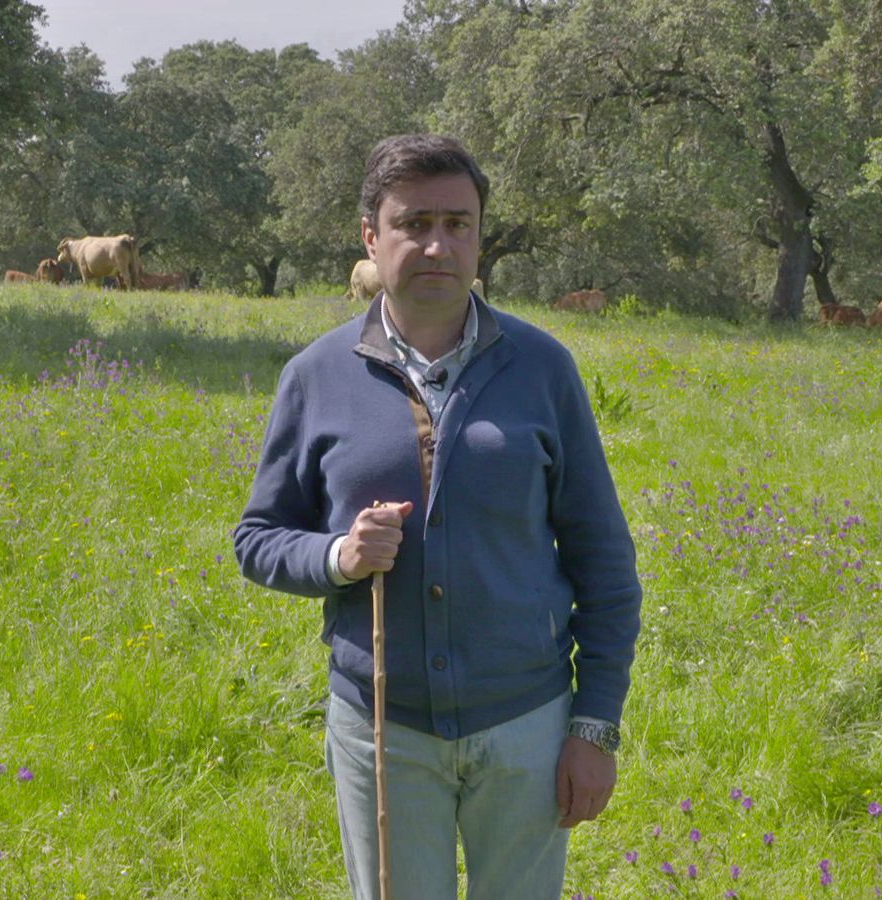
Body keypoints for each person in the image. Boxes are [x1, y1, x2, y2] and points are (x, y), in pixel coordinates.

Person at [233, 134, 642, 900]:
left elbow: (605, 563)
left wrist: (593, 727)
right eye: (413, 222)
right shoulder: (315, 376)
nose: (436, 244)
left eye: (458, 224)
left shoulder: (542, 367)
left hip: (526, 722)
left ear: (480, 235)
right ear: (370, 236)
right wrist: (338, 558)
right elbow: (257, 539)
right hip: (384, 730)